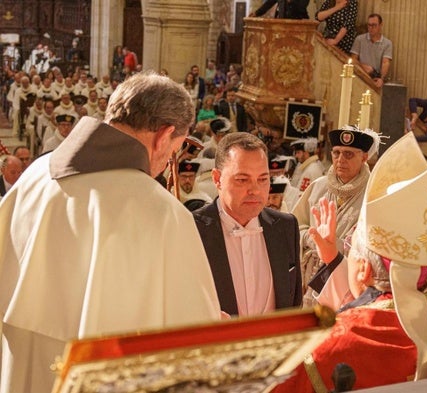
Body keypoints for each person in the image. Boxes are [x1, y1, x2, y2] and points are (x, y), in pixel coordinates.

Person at [0, 72, 222, 393]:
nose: (168, 160)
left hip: (17, 369)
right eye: (174, 148)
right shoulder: (161, 212)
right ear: (164, 136)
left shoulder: (36, 173)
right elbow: (192, 342)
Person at [274, 137, 427, 392]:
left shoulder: (332, 342)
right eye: (337, 153)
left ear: (363, 269)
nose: (341, 159)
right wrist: (332, 256)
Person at [192, 132, 302, 317]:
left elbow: (294, 303)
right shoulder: (192, 229)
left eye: (263, 179)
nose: (255, 190)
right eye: (242, 180)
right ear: (217, 178)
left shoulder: (286, 226)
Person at [292, 126, 379, 306]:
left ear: (364, 157)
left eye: (348, 154)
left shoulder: (374, 193)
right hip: (309, 275)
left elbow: (375, 247)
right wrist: (310, 238)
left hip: (346, 279)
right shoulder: (319, 186)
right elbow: (293, 226)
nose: (340, 160)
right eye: (336, 153)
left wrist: (334, 245)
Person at [350, 13, 393, 89]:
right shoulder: (359, 39)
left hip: (375, 77)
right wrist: (363, 66)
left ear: (380, 25)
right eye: (369, 25)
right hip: (360, 75)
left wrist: (381, 79)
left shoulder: (387, 43)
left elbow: (385, 62)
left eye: (374, 25)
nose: (371, 28)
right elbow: (353, 59)